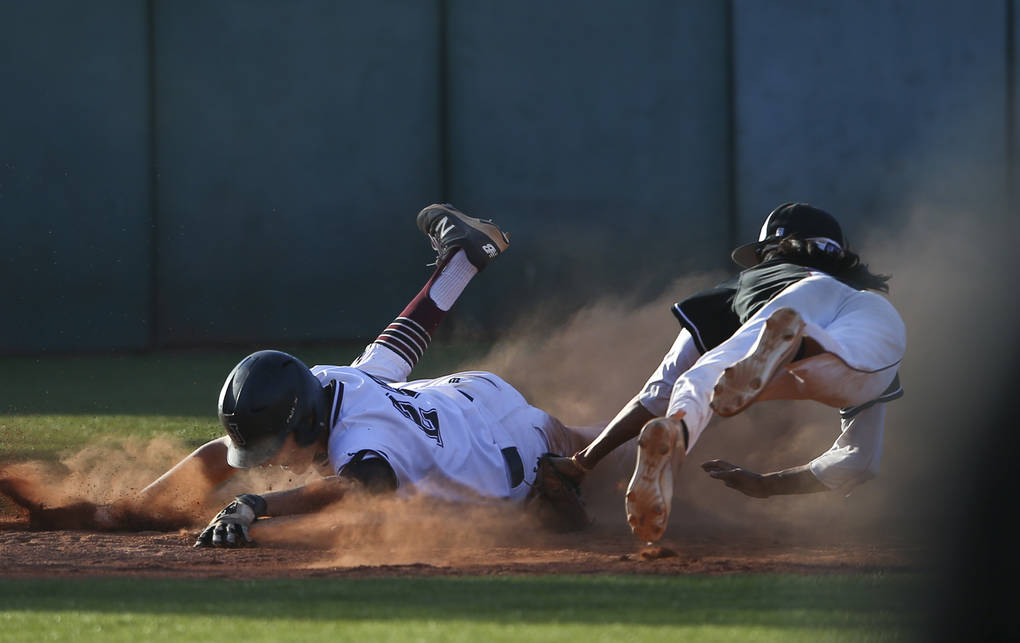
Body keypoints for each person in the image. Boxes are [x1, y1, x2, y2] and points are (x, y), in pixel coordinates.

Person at [33, 204, 590, 546]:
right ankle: (466, 257)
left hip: (514, 453)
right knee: (387, 358)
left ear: (303, 422)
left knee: (582, 453)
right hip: (462, 397)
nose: (269, 461)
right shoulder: (327, 384)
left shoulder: (361, 440)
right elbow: (222, 453)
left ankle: (664, 420)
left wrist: (260, 507)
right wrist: (133, 506)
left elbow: (360, 487)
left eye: (274, 446)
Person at [546, 203, 906, 543]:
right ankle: (805, 345)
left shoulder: (762, 278)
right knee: (847, 371)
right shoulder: (862, 298)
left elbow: (657, 393)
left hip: (793, 304)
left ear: (773, 249)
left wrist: (582, 463)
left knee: (699, 380)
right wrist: (767, 486)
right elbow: (861, 460)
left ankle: (677, 433)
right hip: (875, 323)